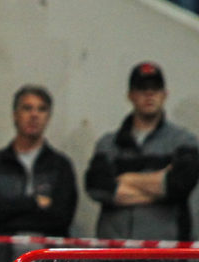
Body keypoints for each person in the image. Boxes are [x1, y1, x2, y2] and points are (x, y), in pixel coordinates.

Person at [85, 62, 199, 242]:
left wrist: (127, 178)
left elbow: (180, 184)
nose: (149, 94)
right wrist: (161, 191)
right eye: (142, 88)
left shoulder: (184, 141)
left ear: (165, 95)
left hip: (165, 252)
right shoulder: (108, 144)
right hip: (114, 252)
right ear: (130, 95)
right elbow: (98, 187)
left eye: (155, 88)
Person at [0, 85, 78, 262]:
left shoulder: (60, 165)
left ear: (48, 117)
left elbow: (61, 217)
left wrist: (6, 213)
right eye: (27, 108)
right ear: (15, 114)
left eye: (41, 109)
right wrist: (33, 203)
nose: (34, 115)